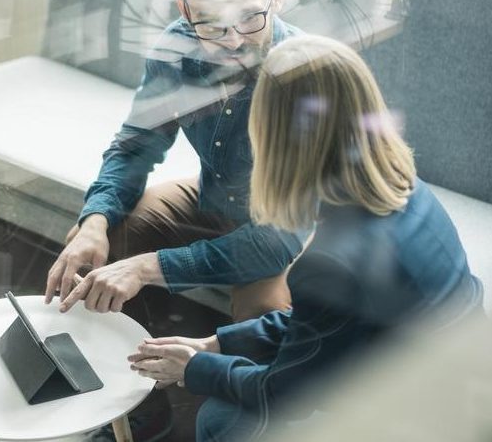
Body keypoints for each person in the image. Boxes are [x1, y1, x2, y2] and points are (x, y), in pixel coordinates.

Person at [128, 34, 484, 442]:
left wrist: (193, 368)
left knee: (222, 419)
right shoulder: (403, 186)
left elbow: (280, 394)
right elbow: (320, 324)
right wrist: (217, 344)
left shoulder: (330, 261)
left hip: (417, 412)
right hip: (455, 372)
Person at [45, 0, 307, 324]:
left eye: (250, 17)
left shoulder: (304, 74)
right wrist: (94, 222)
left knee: (262, 313)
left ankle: (197, 359)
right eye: (211, 24)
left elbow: (276, 242)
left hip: (291, 228)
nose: (233, 41)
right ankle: (124, 355)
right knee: (94, 246)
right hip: (213, 197)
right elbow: (136, 146)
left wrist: (146, 268)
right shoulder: (176, 50)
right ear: (185, 11)